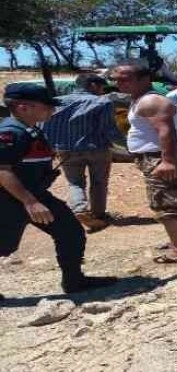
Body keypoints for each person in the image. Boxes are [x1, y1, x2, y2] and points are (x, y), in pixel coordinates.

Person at [0, 83, 118, 294]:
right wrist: (30, 202)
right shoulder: (10, 132)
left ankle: (74, 281)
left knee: (70, 231)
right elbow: (2, 170)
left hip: (34, 195)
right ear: (23, 107)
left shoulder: (30, 129)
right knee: (3, 246)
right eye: (46, 106)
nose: (52, 110)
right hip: (10, 199)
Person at [111, 59, 177, 263]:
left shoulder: (151, 101)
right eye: (116, 80)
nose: (120, 84)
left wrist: (168, 161)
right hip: (159, 156)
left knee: (167, 205)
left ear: (145, 78)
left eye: (125, 80)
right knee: (175, 199)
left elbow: (166, 131)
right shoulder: (140, 99)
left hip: (160, 157)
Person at [42, 74, 124, 232]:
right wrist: (127, 145)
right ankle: (99, 215)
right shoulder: (102, 101)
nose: (102, 91)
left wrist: (51, 146)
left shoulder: (56, 101)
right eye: (101, 87)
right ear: (93, 85)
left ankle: (79, 209)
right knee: (99, 182)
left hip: (66, 149)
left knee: (75, 182)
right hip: (97, 148)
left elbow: (46, 125)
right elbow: (109, 129)